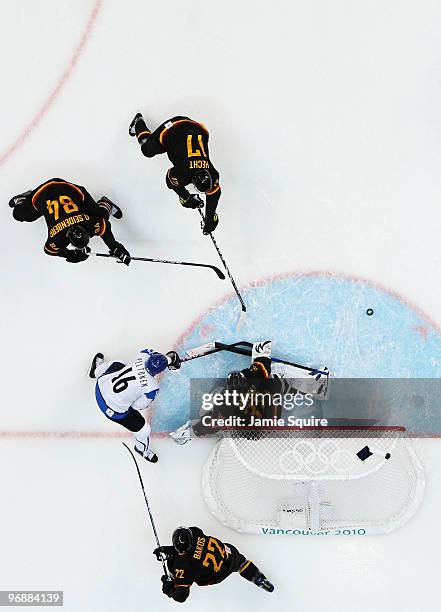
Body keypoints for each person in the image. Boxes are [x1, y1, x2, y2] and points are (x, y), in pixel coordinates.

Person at [170, 341, 282, 444]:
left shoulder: (225, 402)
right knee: (274, 384)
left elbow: (213, 423)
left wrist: (192, 432)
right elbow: (260, 369)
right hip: (261, 426)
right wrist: (261, 356)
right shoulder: (250, 381)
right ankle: (278, 380)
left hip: (254, 430)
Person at [129, 113, 221, 234]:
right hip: (173, 128)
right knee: (147, 150)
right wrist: (185, 198)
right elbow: (170, 180)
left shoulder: (212, 173)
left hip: (198, 128)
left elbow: (214, 193)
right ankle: (138, 122)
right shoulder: (183, 173)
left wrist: (210, 218)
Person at [89, 348, 181, 462]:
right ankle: (142, 450)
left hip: (100, 387)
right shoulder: (152, 388)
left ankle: (96, 370)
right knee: (144, 430)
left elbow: (148, 351)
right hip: (111, 410)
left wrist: (168, 358)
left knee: (119, 364)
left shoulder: (142, 357)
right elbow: (137, 407)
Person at [9, 178, 130, 264]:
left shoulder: (85, 225)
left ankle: (105, 203)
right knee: (18, 215)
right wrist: (114, 247)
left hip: (62, 190)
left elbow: (105, 228)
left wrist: (115, 247)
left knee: (101, 215)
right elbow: (49, 250)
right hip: (50, 192)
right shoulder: (57, 237)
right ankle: (23, 199)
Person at [154, 526, 274, 602]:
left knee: (175, 568)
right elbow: (193, 552)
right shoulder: (196, 533)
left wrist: (169, 588)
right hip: (229, 555)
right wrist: (170, 550)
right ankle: (259, 578)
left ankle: (178, 581)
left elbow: (181, 597)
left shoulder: (184, 566)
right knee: (240, 562)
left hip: (215, 576)